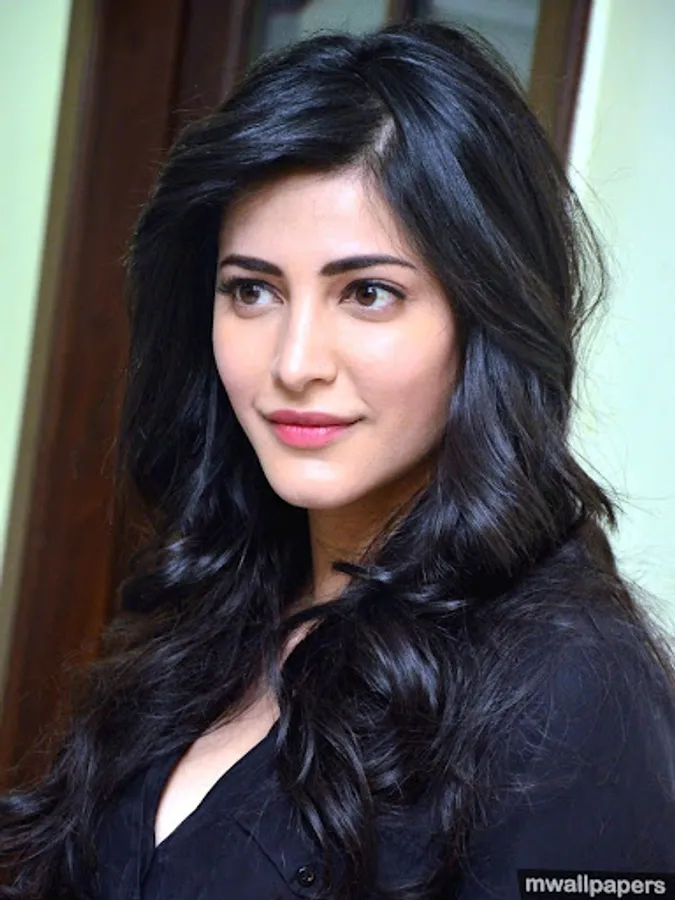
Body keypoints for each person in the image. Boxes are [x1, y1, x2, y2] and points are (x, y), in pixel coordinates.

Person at [2, 17, 675, 900]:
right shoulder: (221, 600)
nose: (293, 362)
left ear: (485, 316)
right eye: (252, 290)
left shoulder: (571, 697)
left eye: (368, 293)